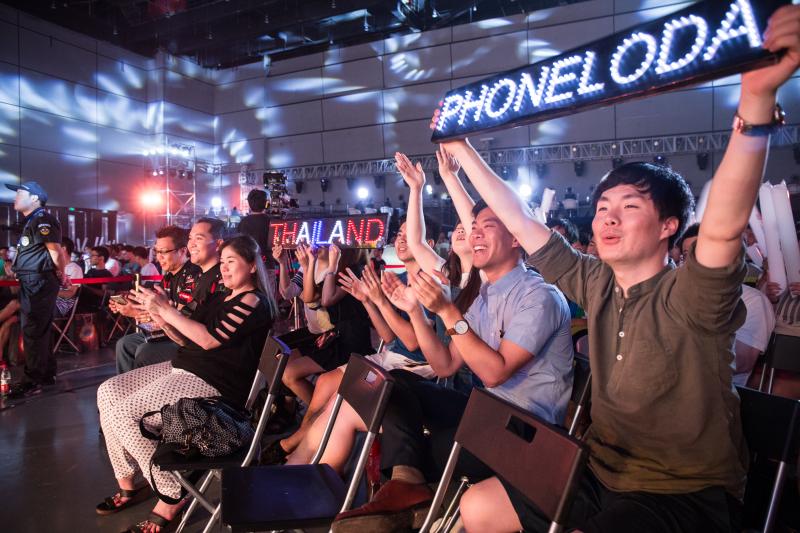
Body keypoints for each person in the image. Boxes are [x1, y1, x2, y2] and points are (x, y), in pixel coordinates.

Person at [430, 9, 800, 529]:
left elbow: (722, 227)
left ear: (669, 225)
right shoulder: (595, 280)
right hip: (600, 470)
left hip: (684, 492)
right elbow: (518, 218)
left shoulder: (693, 293)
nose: (607, 217)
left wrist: (756, 103)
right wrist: (462, 150)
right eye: (603, 207)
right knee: (477, 506)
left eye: (629, 207)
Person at [329, 200, 573, 531]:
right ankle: (406, 482)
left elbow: (494, 373)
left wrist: (447, 312)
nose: (475, 235)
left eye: (487, 227)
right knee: (396, 382)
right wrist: (415, 312)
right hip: (486, 412)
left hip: (525, 431)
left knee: (424, 448)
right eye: (474, 228)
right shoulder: (484, 296)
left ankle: (408, 492)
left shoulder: (540, 296)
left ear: (516, 237)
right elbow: (445, 365)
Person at [95, 235, 277, 533]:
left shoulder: (254, 301)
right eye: (223, 262)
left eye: (231, 262)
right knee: (108, 392)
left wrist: (167, 310)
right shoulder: (221, 297)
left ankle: (171, 494)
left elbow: (209, 339)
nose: (224, 268)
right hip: (185, 367)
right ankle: (128, 481)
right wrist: (160, 315)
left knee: (123, 414)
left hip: (214, 382)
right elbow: (184, 338)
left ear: (253, 266)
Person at [111, 226, 200, 374]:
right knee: (124, 344)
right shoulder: (168, 277)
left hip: (184, 337)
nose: (159, 257)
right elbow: (157, 309)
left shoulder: (192, 276)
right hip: (165, 331)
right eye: (157, 252)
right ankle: (127, 385)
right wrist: (131, 307)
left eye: (164, 252)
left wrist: (135, 313)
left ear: (183, 251)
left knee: (145, 351)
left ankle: (143, 388)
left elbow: (180, 317)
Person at [6, 181, 65, 396]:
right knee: (40, 329)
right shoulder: (33, 220)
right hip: (33, 280)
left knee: (33, 329)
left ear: (34, 198)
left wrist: (61, 273)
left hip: (38, 281)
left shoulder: (42, 219)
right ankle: (46, 373)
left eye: (20, 193)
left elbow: (55, 251)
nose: (15, 197)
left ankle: (32, 380)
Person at [54, 237, 83, 318]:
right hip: (49, 301)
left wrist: (50, 292)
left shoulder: (75, 269)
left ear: (63, 249)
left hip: (61, 305)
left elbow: (70, 293)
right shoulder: (52, 267)